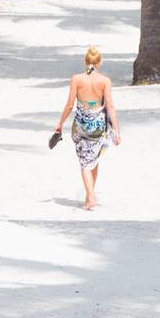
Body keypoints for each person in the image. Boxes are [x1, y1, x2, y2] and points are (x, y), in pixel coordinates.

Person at [53, 46, 120, 210]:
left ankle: (90, 197)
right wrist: (116, 130)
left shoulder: (76, 79)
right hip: (98, 126)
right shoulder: (105, 81)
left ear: (85, 62)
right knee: (93, 160)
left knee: (85, 162)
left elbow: (69, 105)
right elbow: (110, 106)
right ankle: (89, 195)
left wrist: (60, 123)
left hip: (81, 126)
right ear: (99, 62)